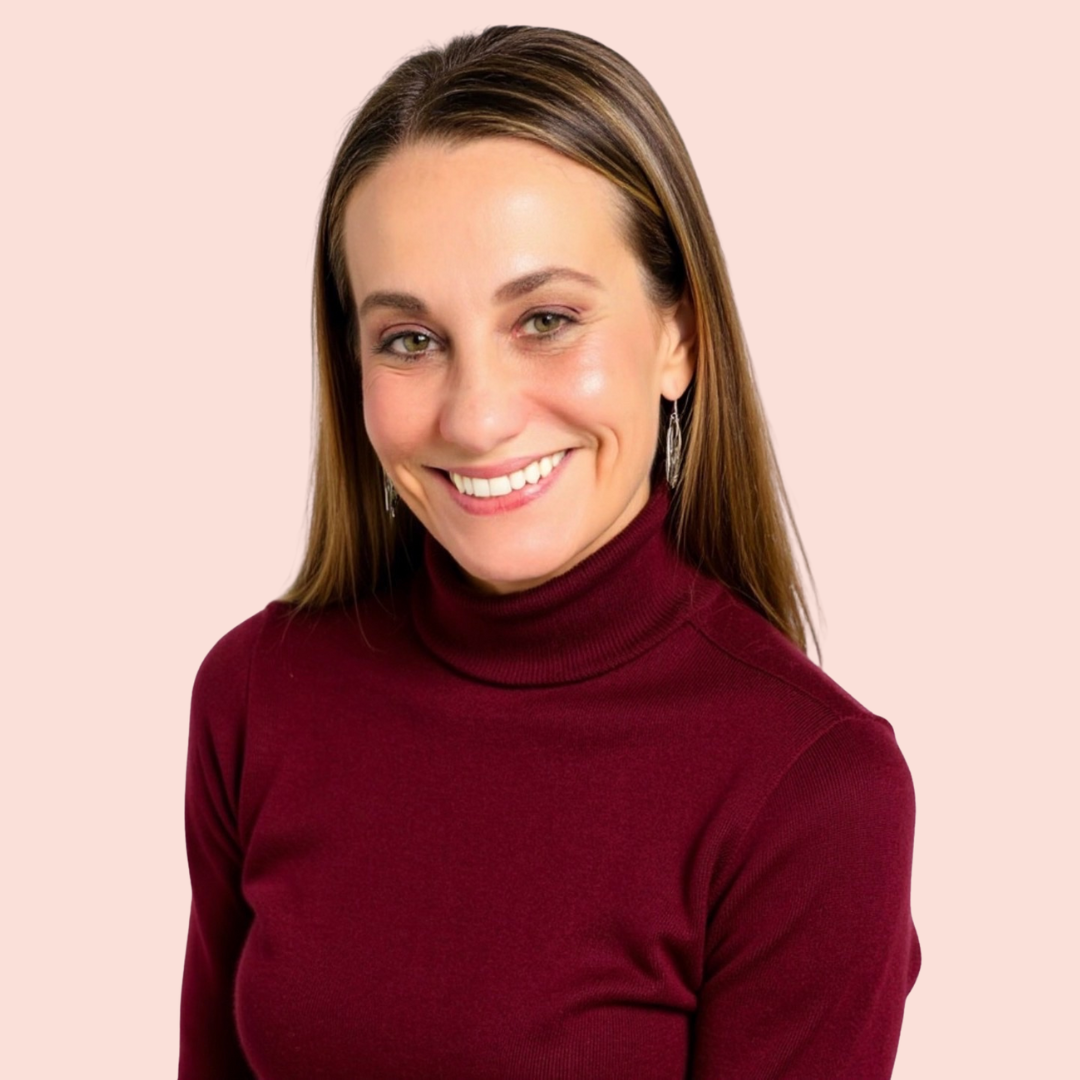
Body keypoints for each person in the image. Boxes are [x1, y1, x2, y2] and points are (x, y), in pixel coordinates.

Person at [179, 25, 920, 1080]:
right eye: (409, 338)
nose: (477, 418)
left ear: (681, 336)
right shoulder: (258, 692)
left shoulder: (812, 791)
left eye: (546, 319)